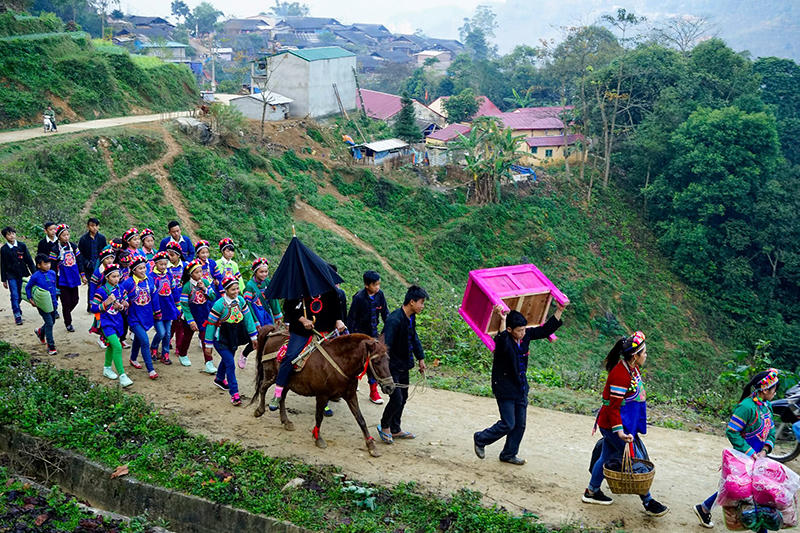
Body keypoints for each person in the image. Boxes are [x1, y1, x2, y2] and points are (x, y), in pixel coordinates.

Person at [582, 331, 669, 517]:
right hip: (614, 425)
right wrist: (620, 433)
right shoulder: (621, 375)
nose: (646, 355)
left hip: (620, 424)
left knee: (606, 456)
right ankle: (648, 501)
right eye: (644, 352)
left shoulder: (631, 368)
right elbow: (614, 408)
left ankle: (591, 491)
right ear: (634, 355)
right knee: (634, 457)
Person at [473, 304, 564, 465]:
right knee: (508, 423)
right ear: (509, 330)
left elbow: (544, 331)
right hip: (504, 387)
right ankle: (481, 438)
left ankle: (509, 453)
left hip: (521, 386)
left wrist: (559, 310)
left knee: (520, 424)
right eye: (519, 331)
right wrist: (501, 319)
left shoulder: (525, 335)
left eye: (524, 329)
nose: (523, 333)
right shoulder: (503, 341)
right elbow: (501, 340)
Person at [693, 369, 779, 529]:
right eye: (774, 389)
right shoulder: (746, 407)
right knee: (744, 491)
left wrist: (765, 449)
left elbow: (771, 431)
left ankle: (704, 508)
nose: (776, 393)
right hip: (743, 457)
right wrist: (751, 453)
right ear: (765, 389)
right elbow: (732, 431)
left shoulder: (767, 407)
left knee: (740, 489)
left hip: (758, 459)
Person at [268, 288, 347, 411]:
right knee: (290, 357)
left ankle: (326, 398)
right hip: (302, 332)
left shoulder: (330, 289)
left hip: (325, 331)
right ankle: (278, 392)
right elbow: (288, 308)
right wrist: (303, 320)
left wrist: (339, 320)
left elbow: (337, 308)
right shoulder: (298, 288)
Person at [377, 285, 428, 444]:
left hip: (404, 364)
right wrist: (384, 372)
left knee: (403, 397)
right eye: (421, 302)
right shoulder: (394, 320)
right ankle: (384, 425)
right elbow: (385, 346)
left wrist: (420, 358)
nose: (422, 306)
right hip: (392, 367)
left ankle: (395, 428)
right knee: (396, 398)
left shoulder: (411, 317)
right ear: (412, 302)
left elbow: (414, 337)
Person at [203, 274, 258, 406]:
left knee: (227, 360)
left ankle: (220, 378)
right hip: (220, 338)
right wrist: (208, 345)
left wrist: (253, 337)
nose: (236, 292)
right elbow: (210, 325)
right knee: (230, 364)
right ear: (226, 290)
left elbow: (248, 318)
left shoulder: (241, 301)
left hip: (234, 337)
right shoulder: (219, 304)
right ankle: (235, 394)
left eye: (237, 289)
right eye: (233, 289)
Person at [347, 270, 389, 405]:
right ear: (367, 285)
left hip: (374, 335)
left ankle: (373, 391)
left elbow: (385, 313)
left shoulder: (380, 295)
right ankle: (352, 383)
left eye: (379, 284)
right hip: (360, 336)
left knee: (373, 362)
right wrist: (351, 338)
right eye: (375, 285)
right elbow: (351, 319)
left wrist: (387, 329)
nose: (378, 288)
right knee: (357, 361)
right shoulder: (359, 298)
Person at [91, 263, 133, 387]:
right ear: (107, 277)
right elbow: (93, 308)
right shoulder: (101, 291)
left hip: (117, 322)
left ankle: (107, 368)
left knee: (110, 346)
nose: (116, 279)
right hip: (105, 323)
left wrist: (122, 304)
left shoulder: (120, 288)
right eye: (113, 276)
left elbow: (126, 302)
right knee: (117, 346)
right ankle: (122, 375)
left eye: (118, 276)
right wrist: (106, 303)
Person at [122, 256, 161, 379]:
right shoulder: (128, 282)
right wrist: (124, 301)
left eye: (144, 267)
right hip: (134, 317)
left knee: (139, 339)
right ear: (133, 270)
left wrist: (157, 311)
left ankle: (133, 359)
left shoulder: (149, 280)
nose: (143, 270)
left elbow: (154, 297)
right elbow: (120, 295)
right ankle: (151, 369)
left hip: (147, 315)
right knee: (144, 340)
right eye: (140, 268)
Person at [239, 257, 282, 369]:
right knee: (256, 340)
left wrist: (278, 316)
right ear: (255, 272)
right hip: (255, 315)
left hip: (266, 315)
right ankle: (244, 354)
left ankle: (264, 362)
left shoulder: (268, 283)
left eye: (266, 271)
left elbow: (273, 300)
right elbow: (248, 306)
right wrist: (255, 321)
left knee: (268, 339)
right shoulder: (250, 286)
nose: (264, 274)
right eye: (261, 271)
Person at [177, 259, 217, 370]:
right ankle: (182, 354)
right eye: (196, 272)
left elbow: (213, 297)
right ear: (191, 274)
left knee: (206, 338)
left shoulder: (205, 282)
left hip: (204, 315)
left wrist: (204, 288)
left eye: (201, 272)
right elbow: (184, 305)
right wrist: (190, 320)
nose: (200, 274)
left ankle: (209, 363)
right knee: (187, 337)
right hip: (192, 315)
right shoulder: (187, 286)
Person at [49, 224, 85, 332]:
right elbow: (53, 265)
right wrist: (53, 279)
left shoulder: (73, 247)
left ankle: (66, 312)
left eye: (68, 235)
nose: (66, 237)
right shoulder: (55, 249)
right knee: (65, 302)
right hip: (62, 279)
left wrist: (82, 274)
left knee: (75, 300)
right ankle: (68, 323)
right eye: (64, 235)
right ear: (59, 236)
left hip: (73, 278)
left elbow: (79, 261)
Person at [1, 226, 35, 325]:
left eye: (13, 233)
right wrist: (4, 279)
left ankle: (17, 307)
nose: (11, 236)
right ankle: (17, 314)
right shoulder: (4, 249)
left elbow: (29, 260)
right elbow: (3, 264)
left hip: (22, 274)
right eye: (8, 234)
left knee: (20, 294)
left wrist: (35, 274)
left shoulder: (22, 246)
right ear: (5, 237)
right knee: (14, 295)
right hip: (10, 275)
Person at [26, 254, 58, 355]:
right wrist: (30, 298)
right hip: (42, 304)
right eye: (45, 264)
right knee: (49, 323)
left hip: (53, 302)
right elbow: (28, 287)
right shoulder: (35, 276)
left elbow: (54, 286)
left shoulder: (52, 273)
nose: (48, 265)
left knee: (52, 321)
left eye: (49, 263)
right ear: (39, 265)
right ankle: (51, 346)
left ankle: (40, 331)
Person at [150, 251, 179, 365]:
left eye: (165, 264)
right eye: (160, 264)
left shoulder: (169, 275)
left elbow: (174, 290)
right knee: (161, 332)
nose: (163, 266)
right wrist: (153, 309)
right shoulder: (151, 277)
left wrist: (177, 305)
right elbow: (151, 294)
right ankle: (154, 347)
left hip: (169, 307)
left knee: (167, 333)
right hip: (157, 310)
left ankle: (165, 353)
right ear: (156, 264)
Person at [78, 217, 107, 312]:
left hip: (100, 265)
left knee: (102, 284)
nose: (94, 228)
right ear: (88, 226)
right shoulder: (83, 239)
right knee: (91, 285)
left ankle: (100, 304)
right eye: (92, 226)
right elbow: (80, 254)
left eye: (96, 226)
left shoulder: (102, 238)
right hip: (89, 266)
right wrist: (85, 263)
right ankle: (90, 305)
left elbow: (105, 252)